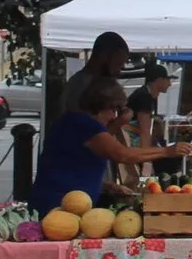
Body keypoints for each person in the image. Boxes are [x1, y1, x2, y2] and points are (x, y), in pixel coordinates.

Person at [30, 77, 176, 215]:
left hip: (65, 203)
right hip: (58, 206)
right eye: (113, 110)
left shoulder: (72, 121)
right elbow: (123, 154)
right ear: (100, 105)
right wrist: (167, 151)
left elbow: (74, 167)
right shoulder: (84, 125)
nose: (113, 116)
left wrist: (109, 186)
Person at [59, 31, 132, 117]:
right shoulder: (81, 86)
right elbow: (89, 128)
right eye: (118, 63)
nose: (119, 71)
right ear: (103, 55)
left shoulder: (83, 83)